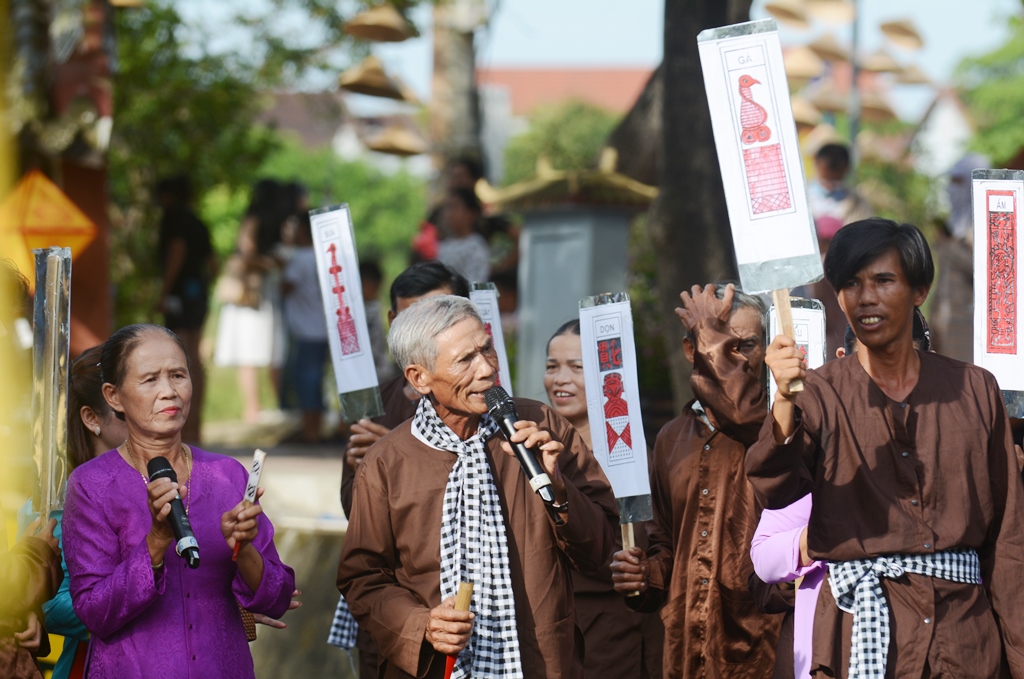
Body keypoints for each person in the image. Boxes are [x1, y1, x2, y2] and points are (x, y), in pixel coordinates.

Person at [746, 218, 1024, 678]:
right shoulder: (816, 393)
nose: (866, 298)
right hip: (860, 638)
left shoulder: (976, 391)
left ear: (919, 291)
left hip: (964, 644)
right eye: (851, 284)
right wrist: (782, 400)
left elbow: (1009, 541)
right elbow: (774, 491)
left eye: (883, 281)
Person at [337, 295, 618, 678]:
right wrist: (422, 625)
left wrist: (560, 492)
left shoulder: (539, 427)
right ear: (420, 378)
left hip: (540, 662)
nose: (486, 369)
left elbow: (602, 548)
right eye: (465, 360)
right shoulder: (387, 462)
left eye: (487, 349)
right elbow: (362, 578)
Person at [63, 324, 295, 676]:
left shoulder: (227, 474)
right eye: (150, 380)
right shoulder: (92, 484)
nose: (169, 391)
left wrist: (244, 549)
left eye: (178, 375)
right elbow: (94, 611)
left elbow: (277, 599)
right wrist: (155, 543)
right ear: (113, 396)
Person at [609, 283, 783, 679]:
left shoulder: (777, 425)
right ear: (693, 351)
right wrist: (644, 575)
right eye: (722, 344)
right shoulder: (671, 437)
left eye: (747, 345)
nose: (736, 359)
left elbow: (739, 410)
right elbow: (666, 544)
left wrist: (709, 328)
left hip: (760, 646)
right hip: (686, 649)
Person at [329, 262, 469, 677]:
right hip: (398, 612)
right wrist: (371, 468)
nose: (425, 333)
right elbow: (355, 515)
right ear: (392, 321)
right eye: (411, 318)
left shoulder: (483, 400)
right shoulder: (377, 403)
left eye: (439, 316)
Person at [544, 319, 664, 678]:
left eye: (576, 368)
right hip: (551, 623)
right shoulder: (534, 444)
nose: (560, 379)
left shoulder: (627, 454)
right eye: (552, 367)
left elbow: (639, 544)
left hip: (611, 627)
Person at [214, 179, 288, 423]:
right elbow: (247, 253)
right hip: (255, 293)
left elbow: (245, 250)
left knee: (254, 352)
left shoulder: (256, 217)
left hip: (255, 295)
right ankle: (259, 407)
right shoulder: (269, 221)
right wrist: (269, 263)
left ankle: (254, 407)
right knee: (260, 350)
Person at [156, 175, 216, 444]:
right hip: (198, 293)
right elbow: (213, 263)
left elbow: (177, 250)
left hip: (181, 295)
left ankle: (184, 428)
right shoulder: (199, 222)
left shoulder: (173, 218)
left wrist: (165, 291)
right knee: (194, 359)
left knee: (180, 358)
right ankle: (195, 427)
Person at [281, 213, 330, 443]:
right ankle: (313, 427)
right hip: (321, 327)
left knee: (306, 379)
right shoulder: (323, 256)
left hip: (306, 329)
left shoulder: (300, 258)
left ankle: (310, 429)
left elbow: (286, 287)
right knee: (315, 379)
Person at [436, 188, 490, 283]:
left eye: (454, 207)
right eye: (447, 207)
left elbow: (476, 281)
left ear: (471, 214)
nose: (448, 213)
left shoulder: (475, 246)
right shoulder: (444, 244)